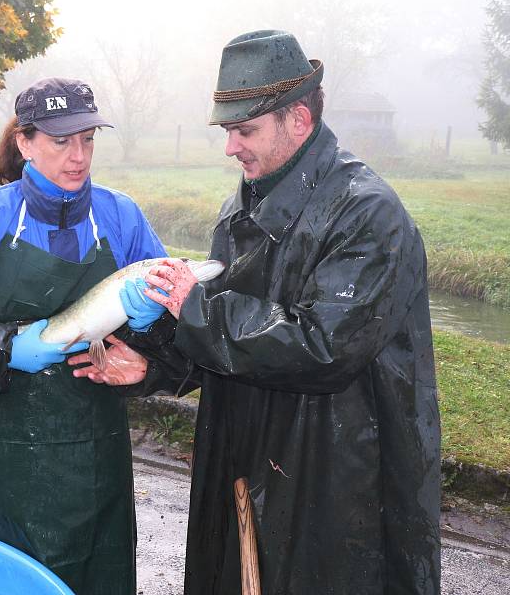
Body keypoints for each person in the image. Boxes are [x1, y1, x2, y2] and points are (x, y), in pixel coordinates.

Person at [71, 30, 441, 594]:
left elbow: (326, 348)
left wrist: (196, 311)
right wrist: (157, 369)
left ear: (297, 118)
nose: (230, 148)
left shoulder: (368, 214)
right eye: (227, 131)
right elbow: (229, 344)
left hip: (337, 479)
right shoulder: (240, 207)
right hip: (240, 459)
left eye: (244, 130)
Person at [0, 77, 168, 594]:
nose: (79, 156)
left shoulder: (121, 217)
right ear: (25, 142)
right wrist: (5, 347)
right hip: (13, 457)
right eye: (61, 141)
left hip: (101, 456)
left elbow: (174, 324)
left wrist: (149, 326)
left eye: (88, 139)